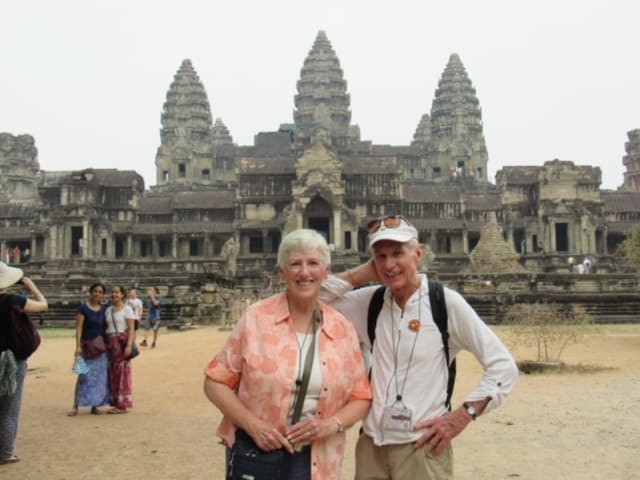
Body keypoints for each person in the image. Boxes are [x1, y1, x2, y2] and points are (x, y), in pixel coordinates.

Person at [320, 215, 519, 479]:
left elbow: (503, 366)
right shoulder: (371, 303)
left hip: (421, 448)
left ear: (418, 255)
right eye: (381, 256)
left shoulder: (444, 303)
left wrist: (464, 414)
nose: (390, 265)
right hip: (371, 447)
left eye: (398, 253)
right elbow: (309, 300)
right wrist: (363, 273)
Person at [204, 229, 372, 479]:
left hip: (318, 455)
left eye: (313, 263)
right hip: (258, 453)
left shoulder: (342, 328)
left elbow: (362, 396)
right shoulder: (256, 319)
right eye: (295, 264)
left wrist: (330, 424)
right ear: (282, 272)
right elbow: (215, 382)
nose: (304, 273)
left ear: (326, 272)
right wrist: (254, 427)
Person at [0, 262, 48, 464]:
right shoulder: (13, 300)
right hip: (12, 359)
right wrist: (33, 288)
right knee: (10, 407)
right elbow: (43, 306)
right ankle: (5, 452)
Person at [68, 282, 110, 416]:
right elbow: (79, 328)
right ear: (91, 292)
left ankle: (95, 405)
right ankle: (76, 406)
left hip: (101, 348)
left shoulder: (104, 309)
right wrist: (77, 346)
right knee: (83, 376)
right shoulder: (83, 309)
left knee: (99, 378)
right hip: (87, 347)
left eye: (100, 292)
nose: (97, 294)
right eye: (95, 291)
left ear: (103, 295)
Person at [104, 285, 136, 414]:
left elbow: (131, 330)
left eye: (117, 292)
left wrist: (129, 345)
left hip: (121, 343)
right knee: (113, 372)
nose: (114, 294)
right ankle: (116, 401)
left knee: (122, 372)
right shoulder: (108, 310)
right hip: (111, 343)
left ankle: (122, 404)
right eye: (112, 292)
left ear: (123, 295)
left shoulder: (127, 310)